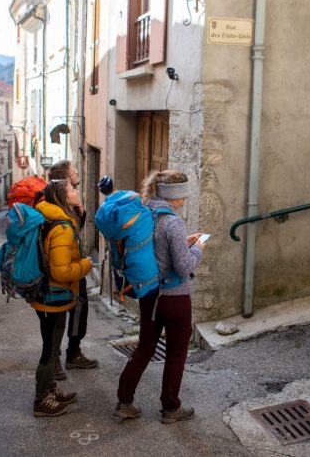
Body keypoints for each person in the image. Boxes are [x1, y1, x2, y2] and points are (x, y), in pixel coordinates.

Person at [115, 169, 206, 423]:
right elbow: (184, 266)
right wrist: (198, 249)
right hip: (175, 299)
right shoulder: (174, 222)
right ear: (172, 195)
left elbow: (156, 251)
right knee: (176, 353)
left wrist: (185, 241)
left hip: (150, 295)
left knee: (144, 349)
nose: (184, 201)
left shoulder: (146, 214)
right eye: (182, 196)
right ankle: (170, 408)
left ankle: (124, 401)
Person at [31, 178, 92, 417]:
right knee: (50, 349)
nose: (76, 191)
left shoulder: (52, 218)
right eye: (72, 189)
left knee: (52, 346)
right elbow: (61, 271)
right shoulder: (62, 228)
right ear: (63, 197)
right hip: (53, 296)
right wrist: (85, 265)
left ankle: (49, 389)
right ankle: (41, 400)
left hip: (48, 294)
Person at [48, 160, 99, 381]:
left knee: (80, 312)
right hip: (61, 273)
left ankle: (73, 352)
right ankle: (54, 360)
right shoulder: (56, 205)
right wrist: (85, 265)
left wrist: (79, 207)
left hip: (74, 270)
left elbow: (79, 224)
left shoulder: (70, 201)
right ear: (65, 181)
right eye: (73, 172)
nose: (77, 173)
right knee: (55, 321)